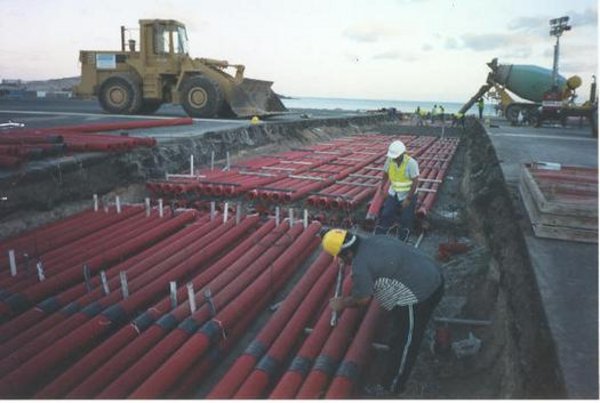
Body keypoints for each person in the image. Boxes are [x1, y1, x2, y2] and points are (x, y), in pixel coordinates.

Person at [322, 228, 444, 395]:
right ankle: (423, 328)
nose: (340, 261)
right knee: (404, 326)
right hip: (433, 274)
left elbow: (363, 299)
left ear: (348, 253)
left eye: (340, 257)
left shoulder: (361, 265)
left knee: (404, 342)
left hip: (419, 294)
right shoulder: (375, 239)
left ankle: (392, 387)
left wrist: (342, 303)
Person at [375, 140, 419, 241]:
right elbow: (385, 173)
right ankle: (379, 237)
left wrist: (408, 199)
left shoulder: (411, 163)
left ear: (403, 153)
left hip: (408, 194)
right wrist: (382, 187)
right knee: (386, 213)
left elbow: (415, 182)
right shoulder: (390, 160)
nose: (394, 158)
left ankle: (403, 240)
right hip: (394, 192)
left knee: (406, 219)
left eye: (396, 157)